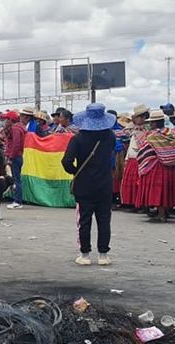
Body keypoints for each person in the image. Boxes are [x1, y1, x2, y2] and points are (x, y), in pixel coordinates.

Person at [62, 103, 118, 266]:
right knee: (104, 220)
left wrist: (75, 171)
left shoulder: (77, 139)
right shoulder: (110, 137)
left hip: (84, 185)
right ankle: (103, 255)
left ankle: (85, 255)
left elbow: (66, 161)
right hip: (105, 184)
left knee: (84, 220)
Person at [135, 111, 175, 222]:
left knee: (159, 189)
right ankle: (165, 212)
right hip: (171, 165)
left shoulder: (152, 136)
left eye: (151, 122)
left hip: (156, 165)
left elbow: (144, 149)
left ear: (155, 123)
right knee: (167, 189)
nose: (150, 125)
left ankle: (161, 213)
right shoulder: (170, 132)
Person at [119, 105, 148, 210]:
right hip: (131, 157)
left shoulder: (146, 131)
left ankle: (139, 204)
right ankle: (132, 202)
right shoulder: (132, 130)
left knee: (138, 181)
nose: (136, 120)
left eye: (138, 117)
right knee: (131, 181)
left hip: (140, 158)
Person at [5, 109, 29, 208]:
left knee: (15, 179)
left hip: (15, 157)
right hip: (18, 156)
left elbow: (16, 144)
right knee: (16, 178)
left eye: (7, 119)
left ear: (11, 120)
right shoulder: (20, 128)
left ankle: (17, 201)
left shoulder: (15, 129)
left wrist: (10, 158)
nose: (5, 121)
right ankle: (17, 200)